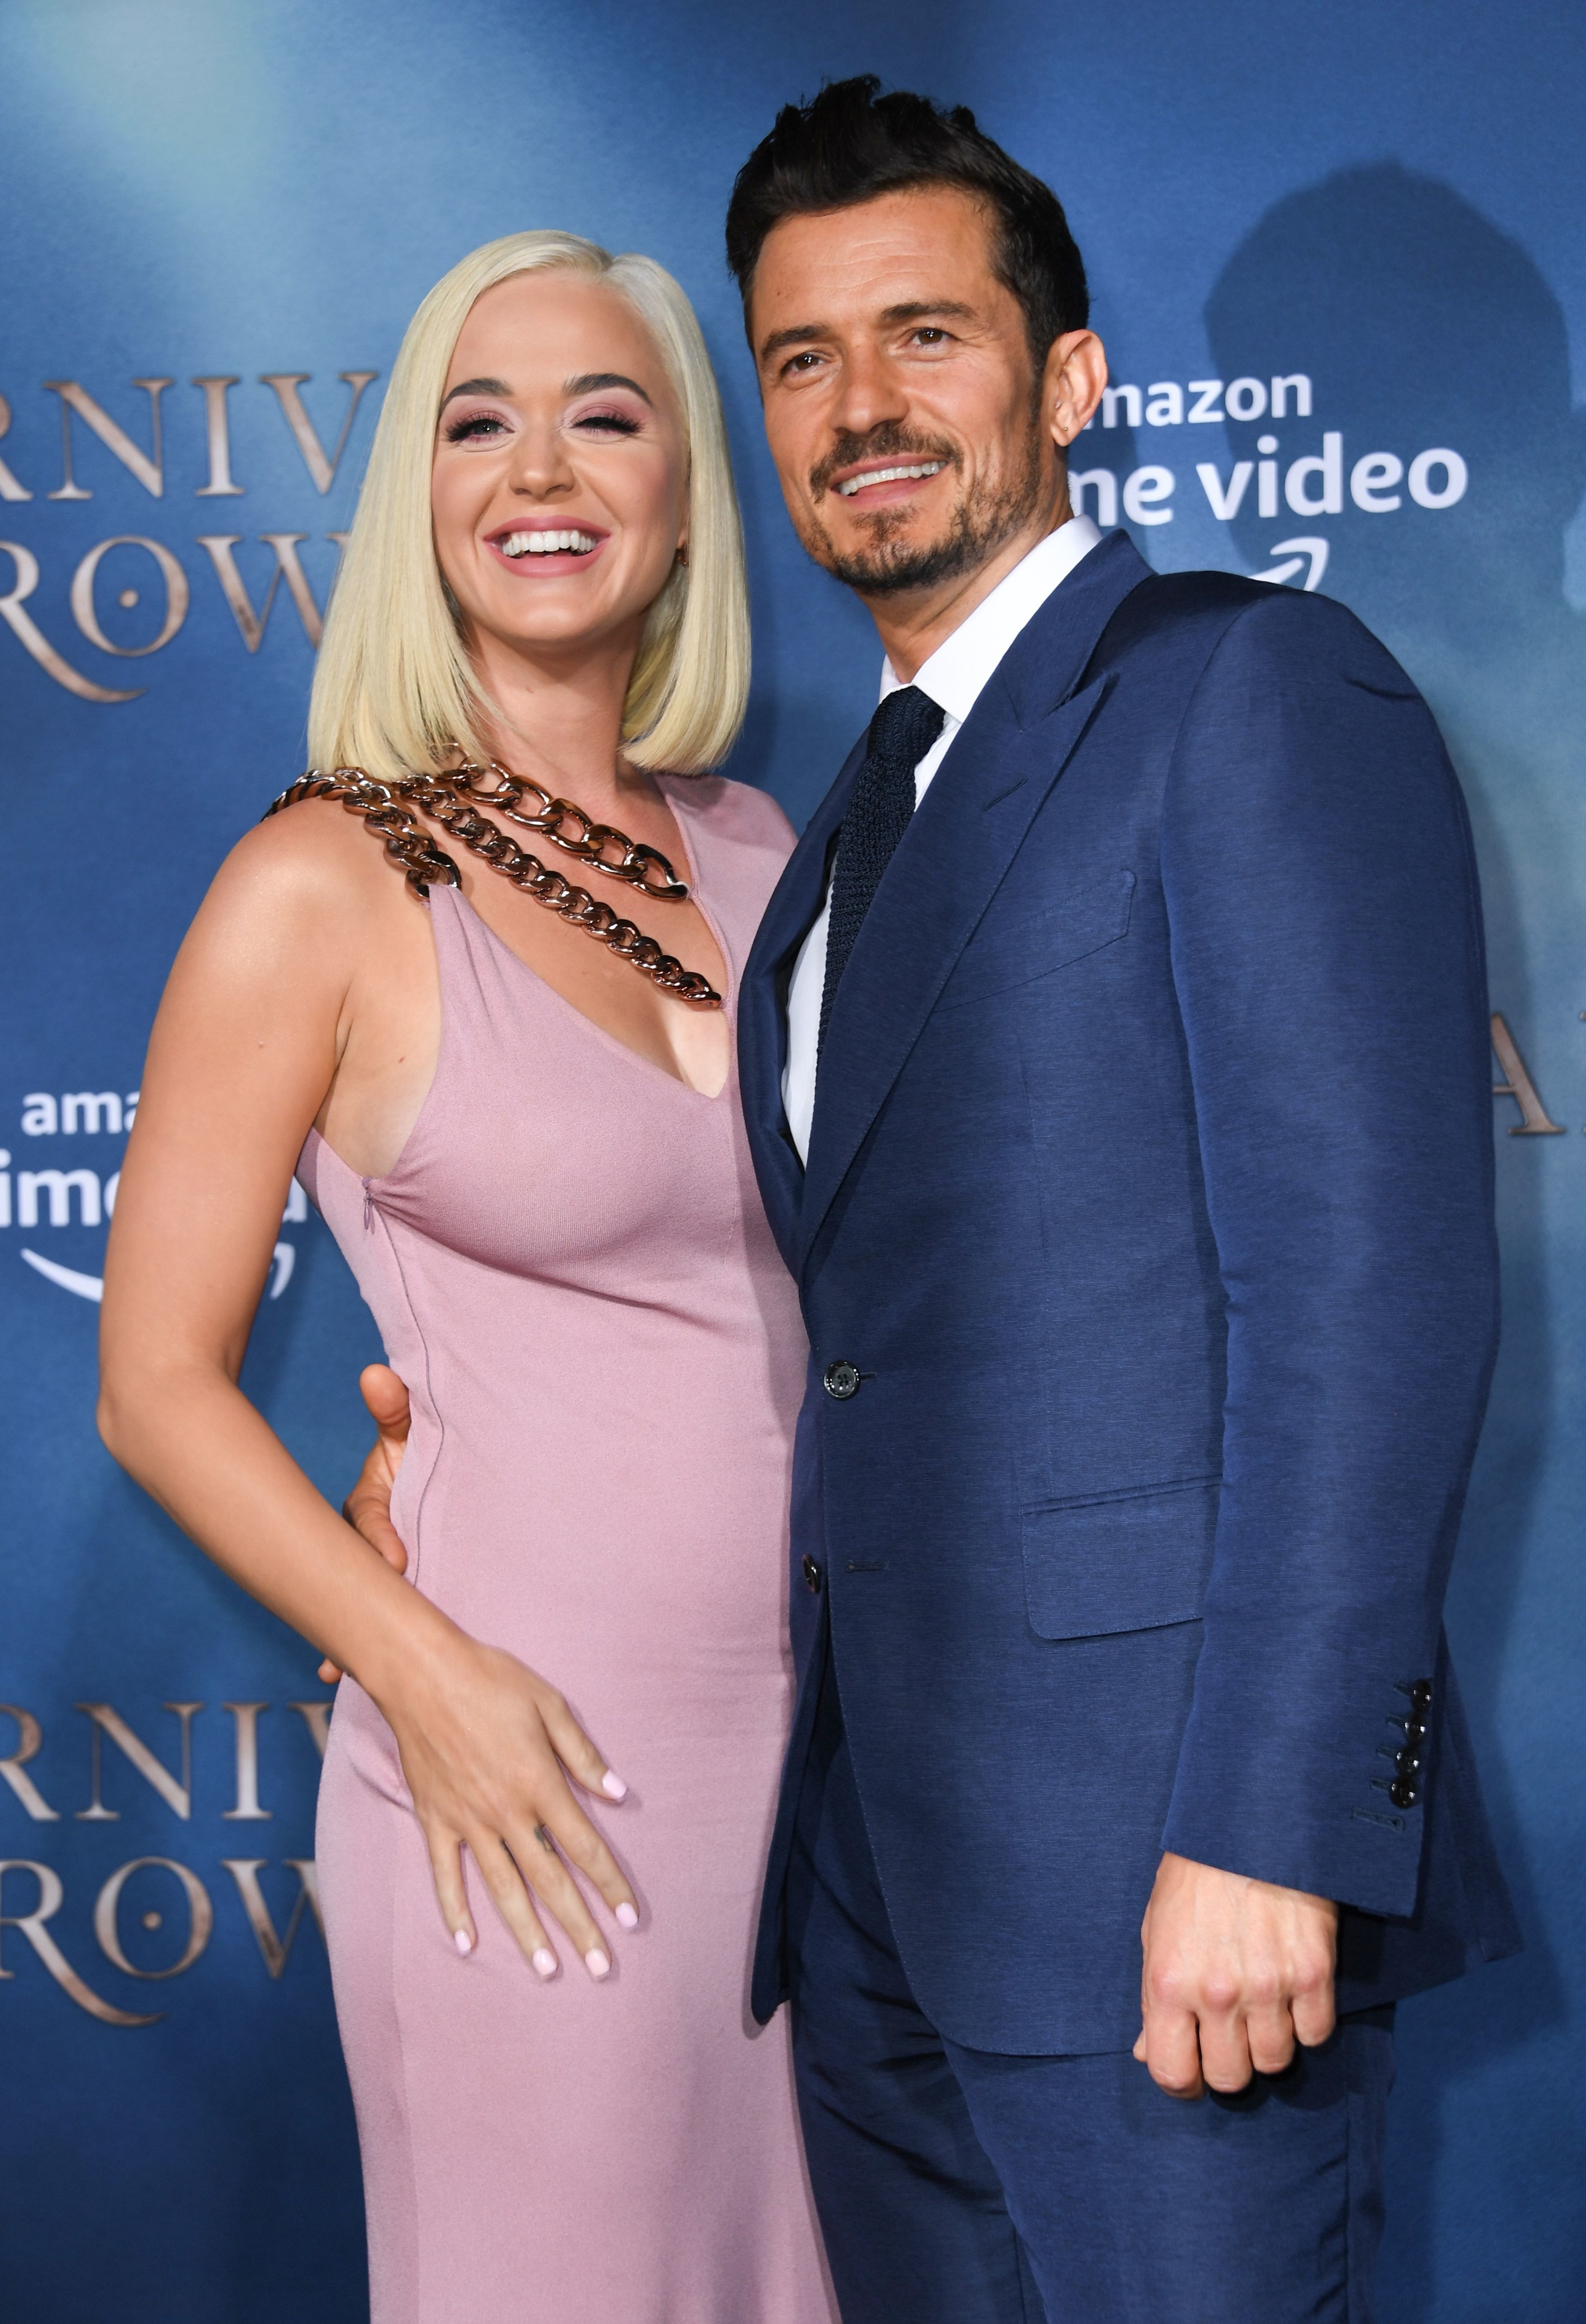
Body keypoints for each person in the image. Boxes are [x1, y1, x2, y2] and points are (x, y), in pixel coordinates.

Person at [343, 85, 1523, 2324]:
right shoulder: (815, 857)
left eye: (927, 337)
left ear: (1071, 380)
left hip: (1169, 1875)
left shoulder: (1244, 691)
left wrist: (1279, 1825)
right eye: (801, 359)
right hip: (871, 1887)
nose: (862, 406)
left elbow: (1367, 1296)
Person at [98, 231, 837, 2324]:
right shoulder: (315, 884)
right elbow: (156, 1375)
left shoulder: (767, 849)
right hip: (526, 1780)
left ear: (688, 490)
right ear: (413, 501)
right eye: (478, 420)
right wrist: (421, 1671)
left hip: (816, 1788)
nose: (546, 469)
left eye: (609, 416)